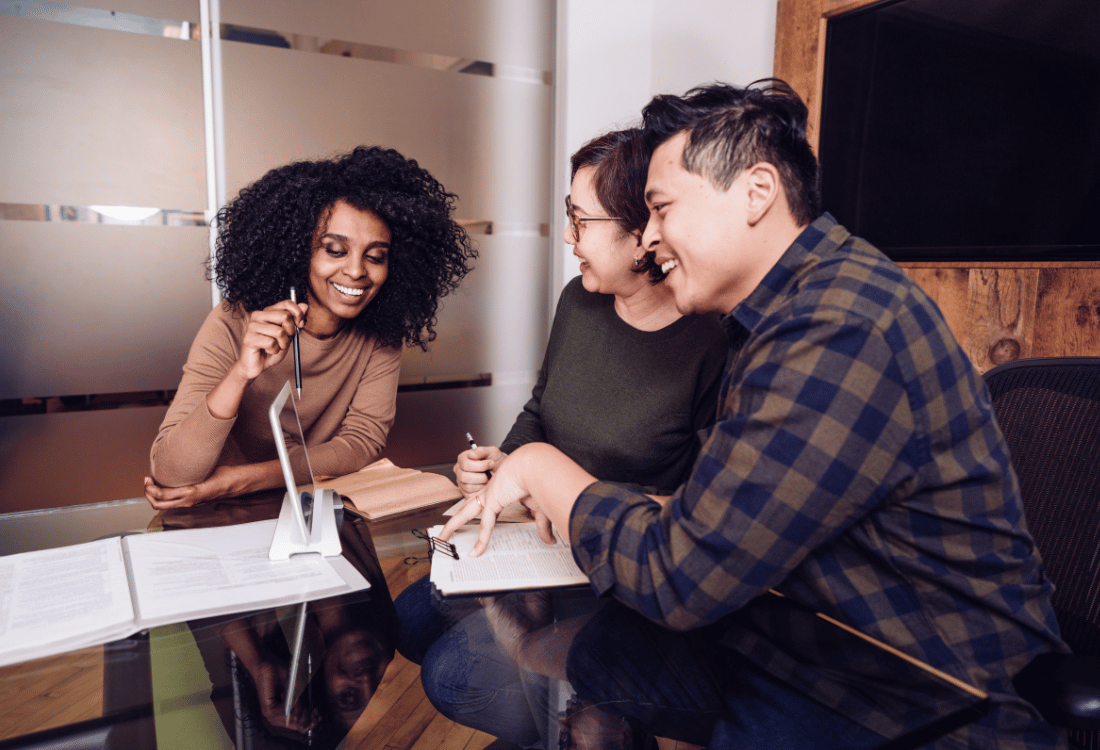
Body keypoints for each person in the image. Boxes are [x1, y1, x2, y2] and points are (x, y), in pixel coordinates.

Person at [439, 80, 1069, 749]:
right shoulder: (776, 316)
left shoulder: (840, 330)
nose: (647, 238)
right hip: (795, 635)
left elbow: (680, 576)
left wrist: (540, 468)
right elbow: (715, 518)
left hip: (911, 691)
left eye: (661, 209)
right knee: (593, 656)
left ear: (757, 192)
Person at [395, 128, 728, 748]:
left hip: (614, 562)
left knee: (455, 676)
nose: (569, 239)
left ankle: (592, 726)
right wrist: (500, 470)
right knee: (411, 619)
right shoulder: (582, 299)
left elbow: (699, 510)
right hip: (541, 538)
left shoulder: (711, 340)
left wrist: (550, 485)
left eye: (581, 221)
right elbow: (540, 410)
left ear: (644, 233)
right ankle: (569, 728)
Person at [145, 146, 475, 509]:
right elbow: (171, 475)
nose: (356, 271)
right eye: (335, 250)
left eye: (376, 256)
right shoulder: (234, 320)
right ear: (297, 251)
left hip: (308, 509)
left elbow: (359, 446)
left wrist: (238, 481)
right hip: (221, 517)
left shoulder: (381, 336)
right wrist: (241, 372)